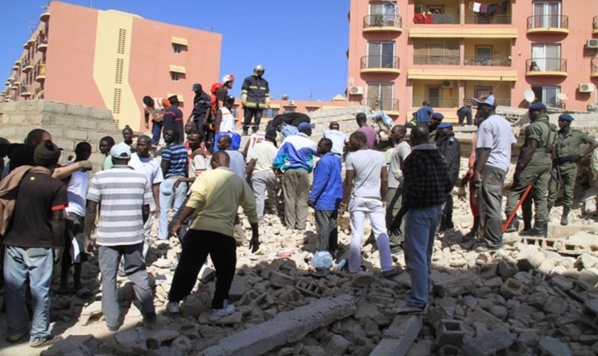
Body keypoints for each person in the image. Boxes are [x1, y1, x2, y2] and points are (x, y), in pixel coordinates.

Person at [167, 151, 259, 321]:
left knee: (187, 266)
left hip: (199, 229)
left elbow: (195, 199)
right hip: (223, 232)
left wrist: (179, 221)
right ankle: (218, 306)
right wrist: (255, 235)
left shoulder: (206, 177)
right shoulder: (239, 181)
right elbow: (251, 209)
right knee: (225, 271)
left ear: (216, 161)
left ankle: (174, 301)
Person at [84, 143, 156, 331]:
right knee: (138, 272)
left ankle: (113, 321)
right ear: (128, 159)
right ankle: (149, 312)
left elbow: (91, 209)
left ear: (112, 159)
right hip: (133, 235)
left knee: (108, 276)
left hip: (107, 236)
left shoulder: (100, 177)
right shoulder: (140, 178)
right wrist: (137, 225)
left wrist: (87, 235)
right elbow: (147, 209)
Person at [2, 141, 67, 347]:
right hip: (40, 243)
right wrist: (59, 245)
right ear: (55, 162)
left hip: (13, 241)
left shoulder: (17, 180)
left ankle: (15, 330)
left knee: (14, 289)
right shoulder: (55, 186)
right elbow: (57, 220)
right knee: (40, 289)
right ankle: (39, 333)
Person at [389, 124, 451, 315]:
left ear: (413, 139)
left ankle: (418, 301)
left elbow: (413, 193)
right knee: (426, 253)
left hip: (419, 212)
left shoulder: (414, 159)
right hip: (435, 209)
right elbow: (448, 185)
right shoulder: (439, 156)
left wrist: (398, 217)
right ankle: (423, 288)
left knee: (415, 256)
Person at [340, 131, 398, 276]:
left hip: (358, 198)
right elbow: (384, 180)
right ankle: (387, 267)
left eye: (352, 140)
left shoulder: (351, 157)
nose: (349, 143)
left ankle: (353, 268)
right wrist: (383, 197)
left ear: (359, 141)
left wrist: (344, 201)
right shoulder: (379, 156)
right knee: (381, 232)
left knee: (356, 233)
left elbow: (348, 182)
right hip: (374, 199)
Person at [469, 95, 515, 250]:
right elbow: (512, 144)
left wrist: (478, 171)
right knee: (491, 201)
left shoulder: (487, 124)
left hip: (490, 166)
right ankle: (486, 237)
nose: (478, 109)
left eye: (481, 106)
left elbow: (485, 149)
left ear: (489, 107)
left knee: (490, 204)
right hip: (501, 165)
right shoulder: (504, 123)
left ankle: (493, 241)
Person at [505, 103, 554, 237]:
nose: (529, 115)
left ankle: (510, 221)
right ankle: (540, 226)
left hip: (534, 159)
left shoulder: (534, 127)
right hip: (546, 160)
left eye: (531, 113)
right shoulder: (551, 127)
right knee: (540, 195)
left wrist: (521, 165)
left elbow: (531, 147)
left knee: (515, 190)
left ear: (538, 112)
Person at [548, 114, 598, 225]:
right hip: (557, 166)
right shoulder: (556, 134)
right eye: (559, 120)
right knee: (552, 191)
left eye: (562, 121)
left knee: (568, 192)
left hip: (570, 165)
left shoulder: (577, 135)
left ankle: (565, 216)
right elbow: (552, 148)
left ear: (567, 122)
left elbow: (594, 143)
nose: (559, 122)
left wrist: (581, 155)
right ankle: (546, 215)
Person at [59, 142, 92, 297]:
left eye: (88, 151)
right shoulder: (70, 168)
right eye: (83, 150)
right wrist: (63, 211)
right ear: (76, 151)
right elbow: (62, 190)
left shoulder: (85, 171)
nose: (85, 153)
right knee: (77, 247)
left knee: (70, 248)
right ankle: (75, 283)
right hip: (70, 212)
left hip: (80, 212)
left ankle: (64, 283)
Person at [273, 122, 317, 230]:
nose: (311, 131)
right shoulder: (311, 143)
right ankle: (301, 225)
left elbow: (278, 157)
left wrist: (278, 168)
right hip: (303, 171)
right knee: (303, 198)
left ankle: (290, 225)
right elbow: (316, 156)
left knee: (289, 198)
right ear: (306, 131)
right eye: (310, 129)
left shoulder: (288, 139)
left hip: (289, 171)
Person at [128, 136, 163, 258]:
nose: (140, 147)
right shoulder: (130, 159)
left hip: (147, 202)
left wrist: (157, 204)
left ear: (149, 146)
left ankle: (140, 259)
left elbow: (156, 184)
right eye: (139, 144)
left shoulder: (154, 164)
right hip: (130, 199)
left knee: (145, 230)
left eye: (143, 145)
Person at [308, 138, 342, 254]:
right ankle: (333, 249)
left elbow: (320, 181)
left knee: (322, 227)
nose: (318, 148)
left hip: (324, 198)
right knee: (332, 225)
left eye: (320, 146)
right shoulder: (336, 160)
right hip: (335, 196)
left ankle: (322, 253)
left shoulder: (323, 162)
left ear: (327, 148)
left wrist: (312, 198)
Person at [158, 129, 188, 240]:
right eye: (165, 134)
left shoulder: (167, 149)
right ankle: (178, 233)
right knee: (178, 209)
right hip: (181, 180)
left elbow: (164, 166)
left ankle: (162, 235)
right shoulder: (183, 149)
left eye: (168, 135)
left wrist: (159, 181)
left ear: (175, 137)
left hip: (169, 180)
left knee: (164, 210)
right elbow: (185, 165)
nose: (165, 136)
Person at [386, 125, 411, 246]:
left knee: (395, 212)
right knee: (390, 211)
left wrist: (402, 179)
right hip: (393, 184)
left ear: (401, 134)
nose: (391, 134)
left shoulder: (404, 147)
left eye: (393, 132)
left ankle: (396, 241)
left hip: (397, 186)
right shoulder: (399, 146)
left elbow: (407, 164)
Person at [246, 130, 279, 222]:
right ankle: (274, 211)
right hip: (271, 173)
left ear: (265, 137)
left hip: (258, 173)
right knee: (272, 194)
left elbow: (252, 161)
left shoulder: (258, 146)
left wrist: (245, 172)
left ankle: (259, 218)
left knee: (259, 196)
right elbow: (277, 164)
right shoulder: (276, 150)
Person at [436, 123, 461, 231]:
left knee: (444, 198)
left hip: (447, 175)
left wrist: (441, 173)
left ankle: (446, 220)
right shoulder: (443, 140)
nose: (440, 131)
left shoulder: (451, 141)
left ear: (449, 129)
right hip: (445, 174)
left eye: (443, 129)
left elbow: (447, 160)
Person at [241, 64, 270, 136]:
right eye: (259, 71)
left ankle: (255, 131)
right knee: (247, 118)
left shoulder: (265, 82)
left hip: (260, 104)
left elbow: (266, 93)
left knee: (258, 118)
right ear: (255, 71)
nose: (260, 73)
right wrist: (244, 99)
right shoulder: (248, 79)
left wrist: (267, 101)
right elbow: (244, 90)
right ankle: (245, 130)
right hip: (249, 103)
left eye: (262, 72)